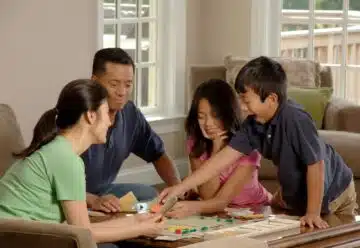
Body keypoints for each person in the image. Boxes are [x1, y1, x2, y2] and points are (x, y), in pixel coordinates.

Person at [159, 56, 357, 229]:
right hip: (295, 194)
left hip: (333, 191)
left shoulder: (295, 118)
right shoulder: (253, 125)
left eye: (247, 101)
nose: (243, 108)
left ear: (271, 99)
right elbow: (220, 161)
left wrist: (313, 212)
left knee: (323, 235)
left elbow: (316, 164)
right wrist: (180, 187)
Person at [0, 79, 164, 248]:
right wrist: (141, 229)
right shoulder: (66, 159)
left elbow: (81, 228)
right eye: (106, 113)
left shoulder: (60, 150)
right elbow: (83, 235)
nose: (110, 122)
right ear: (90, 116)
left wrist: (135, 221)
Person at [82, 48, 181, 213]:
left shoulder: (129, 113)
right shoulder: (76, 117)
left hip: (105, 191)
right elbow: (55, 183)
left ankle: (123, 223)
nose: (122, 92)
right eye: (114, 84)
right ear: (94, 82)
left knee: (150, 195)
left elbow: (158, 154)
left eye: (128, 84)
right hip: (73, 196)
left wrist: (177, 188)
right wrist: (93, 201)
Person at [166, 79, 271, 219]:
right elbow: (209, 195)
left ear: (228, 114)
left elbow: (220, 202)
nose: (208, 124)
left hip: (256, 209)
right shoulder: (195, 143)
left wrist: (191, 207)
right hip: (222, 213)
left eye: (215, 116)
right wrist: (216, 145)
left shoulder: (248, 145)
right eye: (201, 117)